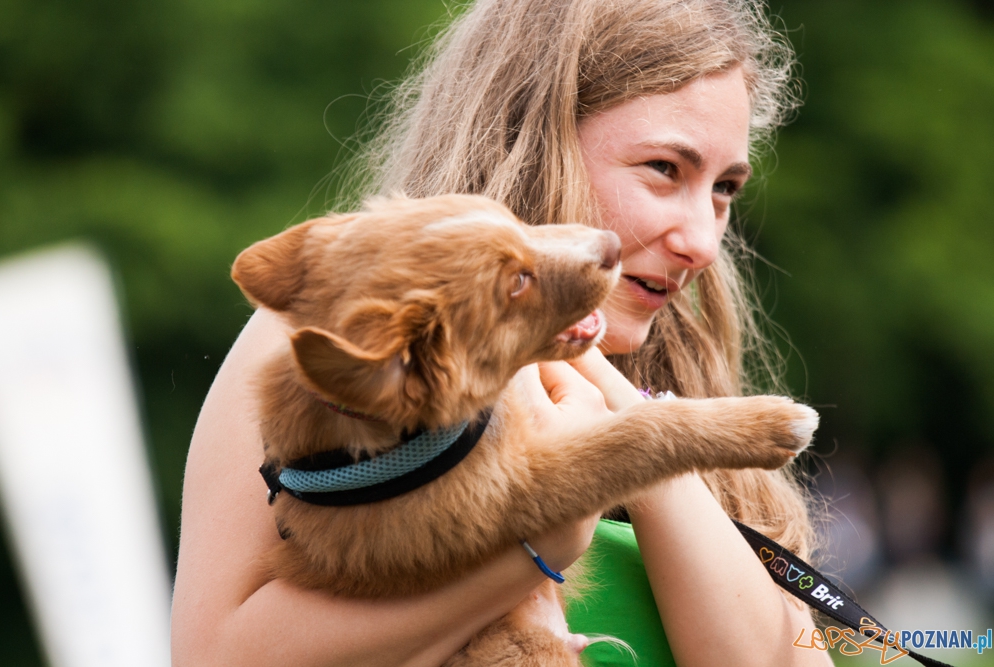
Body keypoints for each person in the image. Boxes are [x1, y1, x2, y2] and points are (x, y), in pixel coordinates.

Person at [171, 1, 832, 665]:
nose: (701, 242)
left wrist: (635, 438)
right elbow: (215, 656)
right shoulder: (337, 335)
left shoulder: (675, 376)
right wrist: (541, 542)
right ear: (531, 136)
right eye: (664, 168)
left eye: (724, 189)